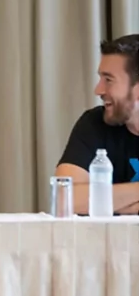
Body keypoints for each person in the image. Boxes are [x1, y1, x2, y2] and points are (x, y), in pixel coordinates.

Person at [56, 34, 139, 214]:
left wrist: (103, 202)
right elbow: (64, 199)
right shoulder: (94, 124)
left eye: (108, 80)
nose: (98, 90)